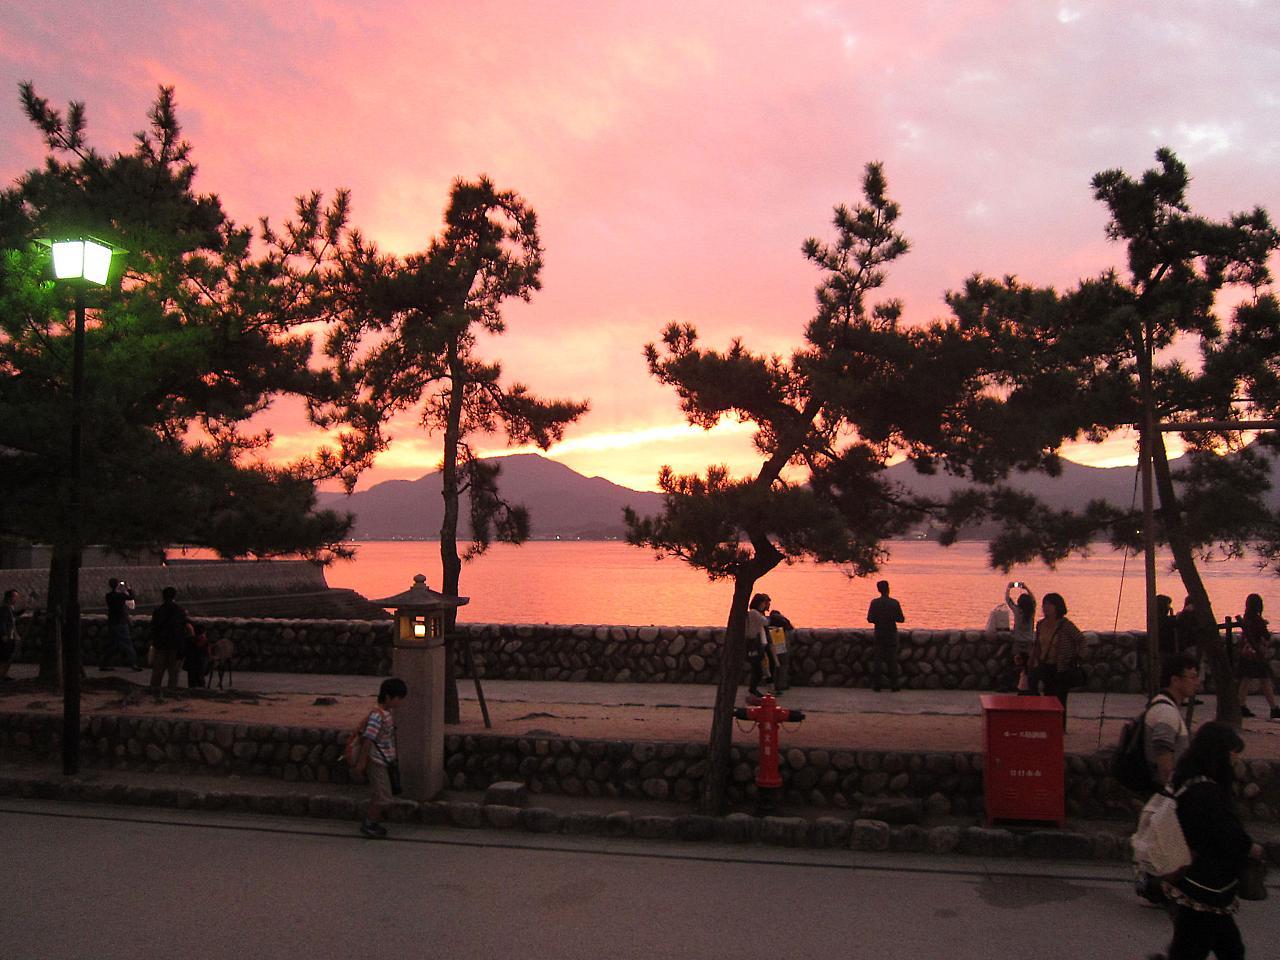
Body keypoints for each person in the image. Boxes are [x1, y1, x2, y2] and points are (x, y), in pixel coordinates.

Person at [1148, 722, 1264, 960]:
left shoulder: (1189, 781)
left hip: (1196, 880)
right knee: (1205, 949)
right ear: (1219, 752)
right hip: (1206, 884)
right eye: (1233, 751)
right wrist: (1250, 848)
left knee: (1223, 948)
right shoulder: (1206, 791)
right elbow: (1225, 833)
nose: (1235, 758)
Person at [1135, 653, 1199, 907]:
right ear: (1175, 680)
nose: (1198, 683)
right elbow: (1163, 750)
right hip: (1169, 790)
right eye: (1192, 677)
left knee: (1162, 844)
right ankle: (1159, 888)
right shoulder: (1165, 712)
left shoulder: (1167, 707)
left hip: (1171, 790)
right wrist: (1172, 787)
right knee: (1165, 844)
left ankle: (1160, 887)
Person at [356, 677, 408, 838]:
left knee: (381, 794)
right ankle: (369, 823)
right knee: (383, 796)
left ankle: (372, 821)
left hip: (384, 760)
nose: (399, 702)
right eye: (398, 698)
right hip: (377, 760)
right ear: (388, 697)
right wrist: (362, 762)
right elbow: (368, 739)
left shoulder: (386, 714)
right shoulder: (378, 716)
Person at [1028, 592, 1085, 721]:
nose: (1045, 608)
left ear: (1057, 607)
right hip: (1045, 664)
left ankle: (1060, 726)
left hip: (1062, 667)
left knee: (1060, 697)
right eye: (1044, 605)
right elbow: (1037, 644)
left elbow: (1081, 640)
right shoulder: (1040, 624)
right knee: (1036, 685)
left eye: (1049, 605)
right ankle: (1047, 720)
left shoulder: (1066, 625)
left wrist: (1078, 657)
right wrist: (1032, 660)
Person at [1236, 593, 1280, 720]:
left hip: (1246, 653)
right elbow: (1266, 637)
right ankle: (1273, 708)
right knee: (1265, 680)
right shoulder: (1258, 620)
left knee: (1246, 680)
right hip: (1256, 655)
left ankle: (1241, 705)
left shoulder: (1246, 618)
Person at [867, 580, 904, 692]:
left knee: (878, 660)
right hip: (891, 634)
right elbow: (901, 619)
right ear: (888, 588)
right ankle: (894, 685)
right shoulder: (894, 603)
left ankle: (877, 685)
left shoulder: (874, 603)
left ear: (878, 589)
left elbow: (870, 619)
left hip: (879, 634)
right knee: (892, 660)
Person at [148, 587, 189, 690]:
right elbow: (183, 627)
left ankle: (154, 691)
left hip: (161, 645)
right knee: (174, 673)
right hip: (175, 645)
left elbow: (154, 628)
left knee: (157, 672)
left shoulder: (158, 611)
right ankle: (171, 692)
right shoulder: (180, 610)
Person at [99, 578, 140, 672]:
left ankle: (103, 664)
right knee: (127, 643)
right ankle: (133, 663)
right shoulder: (120, 596)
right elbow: (131, 597)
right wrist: (128, 588)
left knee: (112, 644)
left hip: (112, 622)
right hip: (121, 622)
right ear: (117, 585)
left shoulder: (108, 596)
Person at [1004, 581, 1036, 693]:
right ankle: (1028, 686)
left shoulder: (1017, 611)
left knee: (1014, 664)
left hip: (1017, 643)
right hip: (1029, 643)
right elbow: (1033, 600)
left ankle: (1013, 685)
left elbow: (1008, 600)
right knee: (1028, 667)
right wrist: (1026, 587)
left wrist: (1009, 587)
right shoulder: (1032, 612)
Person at [745, 593, 771, 697]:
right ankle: (752, 689)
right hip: (754, 644)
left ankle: (753, 689)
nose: (764, 605)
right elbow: (765, 622)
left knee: (758, 669)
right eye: (762, 603)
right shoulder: (754, 613)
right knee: (758, 670)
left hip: (759, 644)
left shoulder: (755, 613)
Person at [766, 607, 794, 694]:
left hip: (772, 643)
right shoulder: (783, 619)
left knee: (773, 664)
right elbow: (791, 628)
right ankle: (782, 684)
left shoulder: (768, 619)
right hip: (782, 641)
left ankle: (774, 684)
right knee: (784, 664)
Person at [0, 589, 20, 683]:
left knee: (7, 656)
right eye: (15, 597)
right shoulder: (5, 608)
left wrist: (26, 608)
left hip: (10, 636)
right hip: (6, 636)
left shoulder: (10, 608)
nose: (16, 599)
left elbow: (14, 615)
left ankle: (4, 674)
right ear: (9, 598)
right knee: (4, 657)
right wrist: (3, 634)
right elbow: (2, 622)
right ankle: (2, 675)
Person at [184, 622, 210, 688]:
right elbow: (207, 653)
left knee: (192, 680)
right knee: (200, 679)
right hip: (200, 662)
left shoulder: (190, 641)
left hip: (191, 662)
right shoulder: (203, 640)